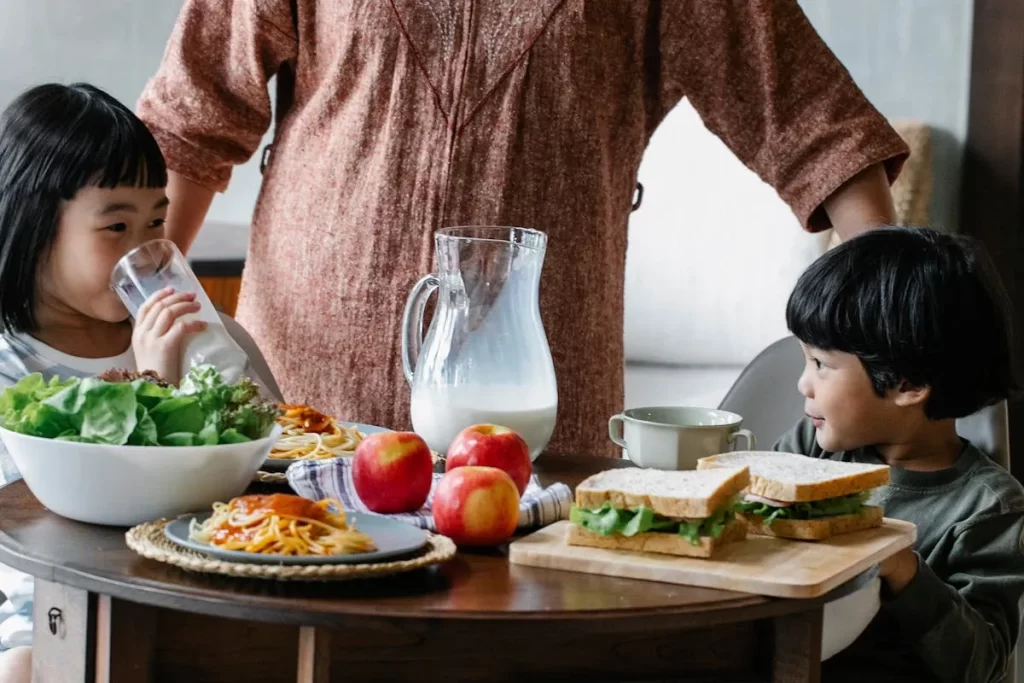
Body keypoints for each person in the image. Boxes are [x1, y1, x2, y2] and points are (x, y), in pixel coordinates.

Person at [137, 0, 910, 458]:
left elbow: (815, 123)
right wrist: (140, 321)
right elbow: (188, 120)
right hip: (293, 414)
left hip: (540, 437)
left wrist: (893, 331)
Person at [0, 83, 271, 682]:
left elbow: (275, 445)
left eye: (155, 222)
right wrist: (152, 385)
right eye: (115, 227)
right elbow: (48, 523)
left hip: (193, 583)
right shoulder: (12, 362)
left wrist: (215, 354)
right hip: (44, 599)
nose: (143, 250)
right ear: (36, 225)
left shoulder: (199, 334)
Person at [776, 227, 1024, 683]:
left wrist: (902, 564)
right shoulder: (811, 450)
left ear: (908, 384)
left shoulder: (987, 508)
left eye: (821, 365)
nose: (802, 384)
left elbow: (983, 664)